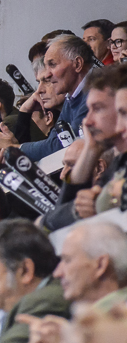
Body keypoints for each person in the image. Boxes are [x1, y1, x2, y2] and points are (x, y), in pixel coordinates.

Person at [42, 64, 127, 230]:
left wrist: (105, 202)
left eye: (97, 109)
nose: (87, 121)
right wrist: (90, 150)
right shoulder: (119, 162)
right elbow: (58, 217)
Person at [0, 34, 95, 161]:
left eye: (52, 65)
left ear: (77, 64)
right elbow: (54, 141)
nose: (48, 74)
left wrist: (15, 148)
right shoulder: (71, 97)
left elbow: (61, 146)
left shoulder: (95, 94)